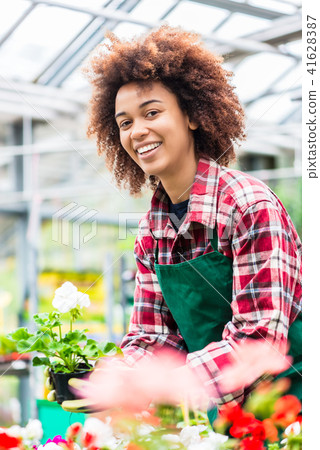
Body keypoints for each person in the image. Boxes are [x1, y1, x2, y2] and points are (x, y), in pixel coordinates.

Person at [48, 25, 302, 421]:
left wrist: (162, 385)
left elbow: (259, 340)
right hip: (217, 418)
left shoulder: (248, 206)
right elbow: (153, 336)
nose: (138, 131)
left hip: (290, 412)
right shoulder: (151, 232)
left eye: (152, 112)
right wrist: (109, 377)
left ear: (193, 116)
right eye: (125, 122)